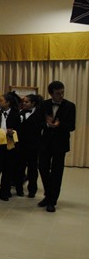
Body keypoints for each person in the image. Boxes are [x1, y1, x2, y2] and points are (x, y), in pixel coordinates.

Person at [38, 81, 76, 212]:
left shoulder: (70, 106)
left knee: (57, 172)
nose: (61, 95)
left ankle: (51, 201)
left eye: (62, 93)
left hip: (60, 144)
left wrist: (59, 125)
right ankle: (48, 194)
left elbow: (72, 126)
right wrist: (47, 125)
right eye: (58, 93)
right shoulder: (44, 105)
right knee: (42, 167)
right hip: (45, 143)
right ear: (51, 93)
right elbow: (38, 123)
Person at [15, 94, 43, 198]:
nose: (24, 103)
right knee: (20, 168)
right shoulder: (21, 113)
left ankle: (32, 189)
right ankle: (19, 188)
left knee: (33, 169)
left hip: (34, 145)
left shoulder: (40, 114)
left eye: (27, 102)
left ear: (33, 103)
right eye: (24, 102)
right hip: (21, 145)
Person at [0, 91, 21, 201]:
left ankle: (5, 191)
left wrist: (12, 132)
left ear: (8, 102)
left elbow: (20, 130)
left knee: (8, 170)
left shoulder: (17, 114)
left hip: (10, 145)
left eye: (1, 101)